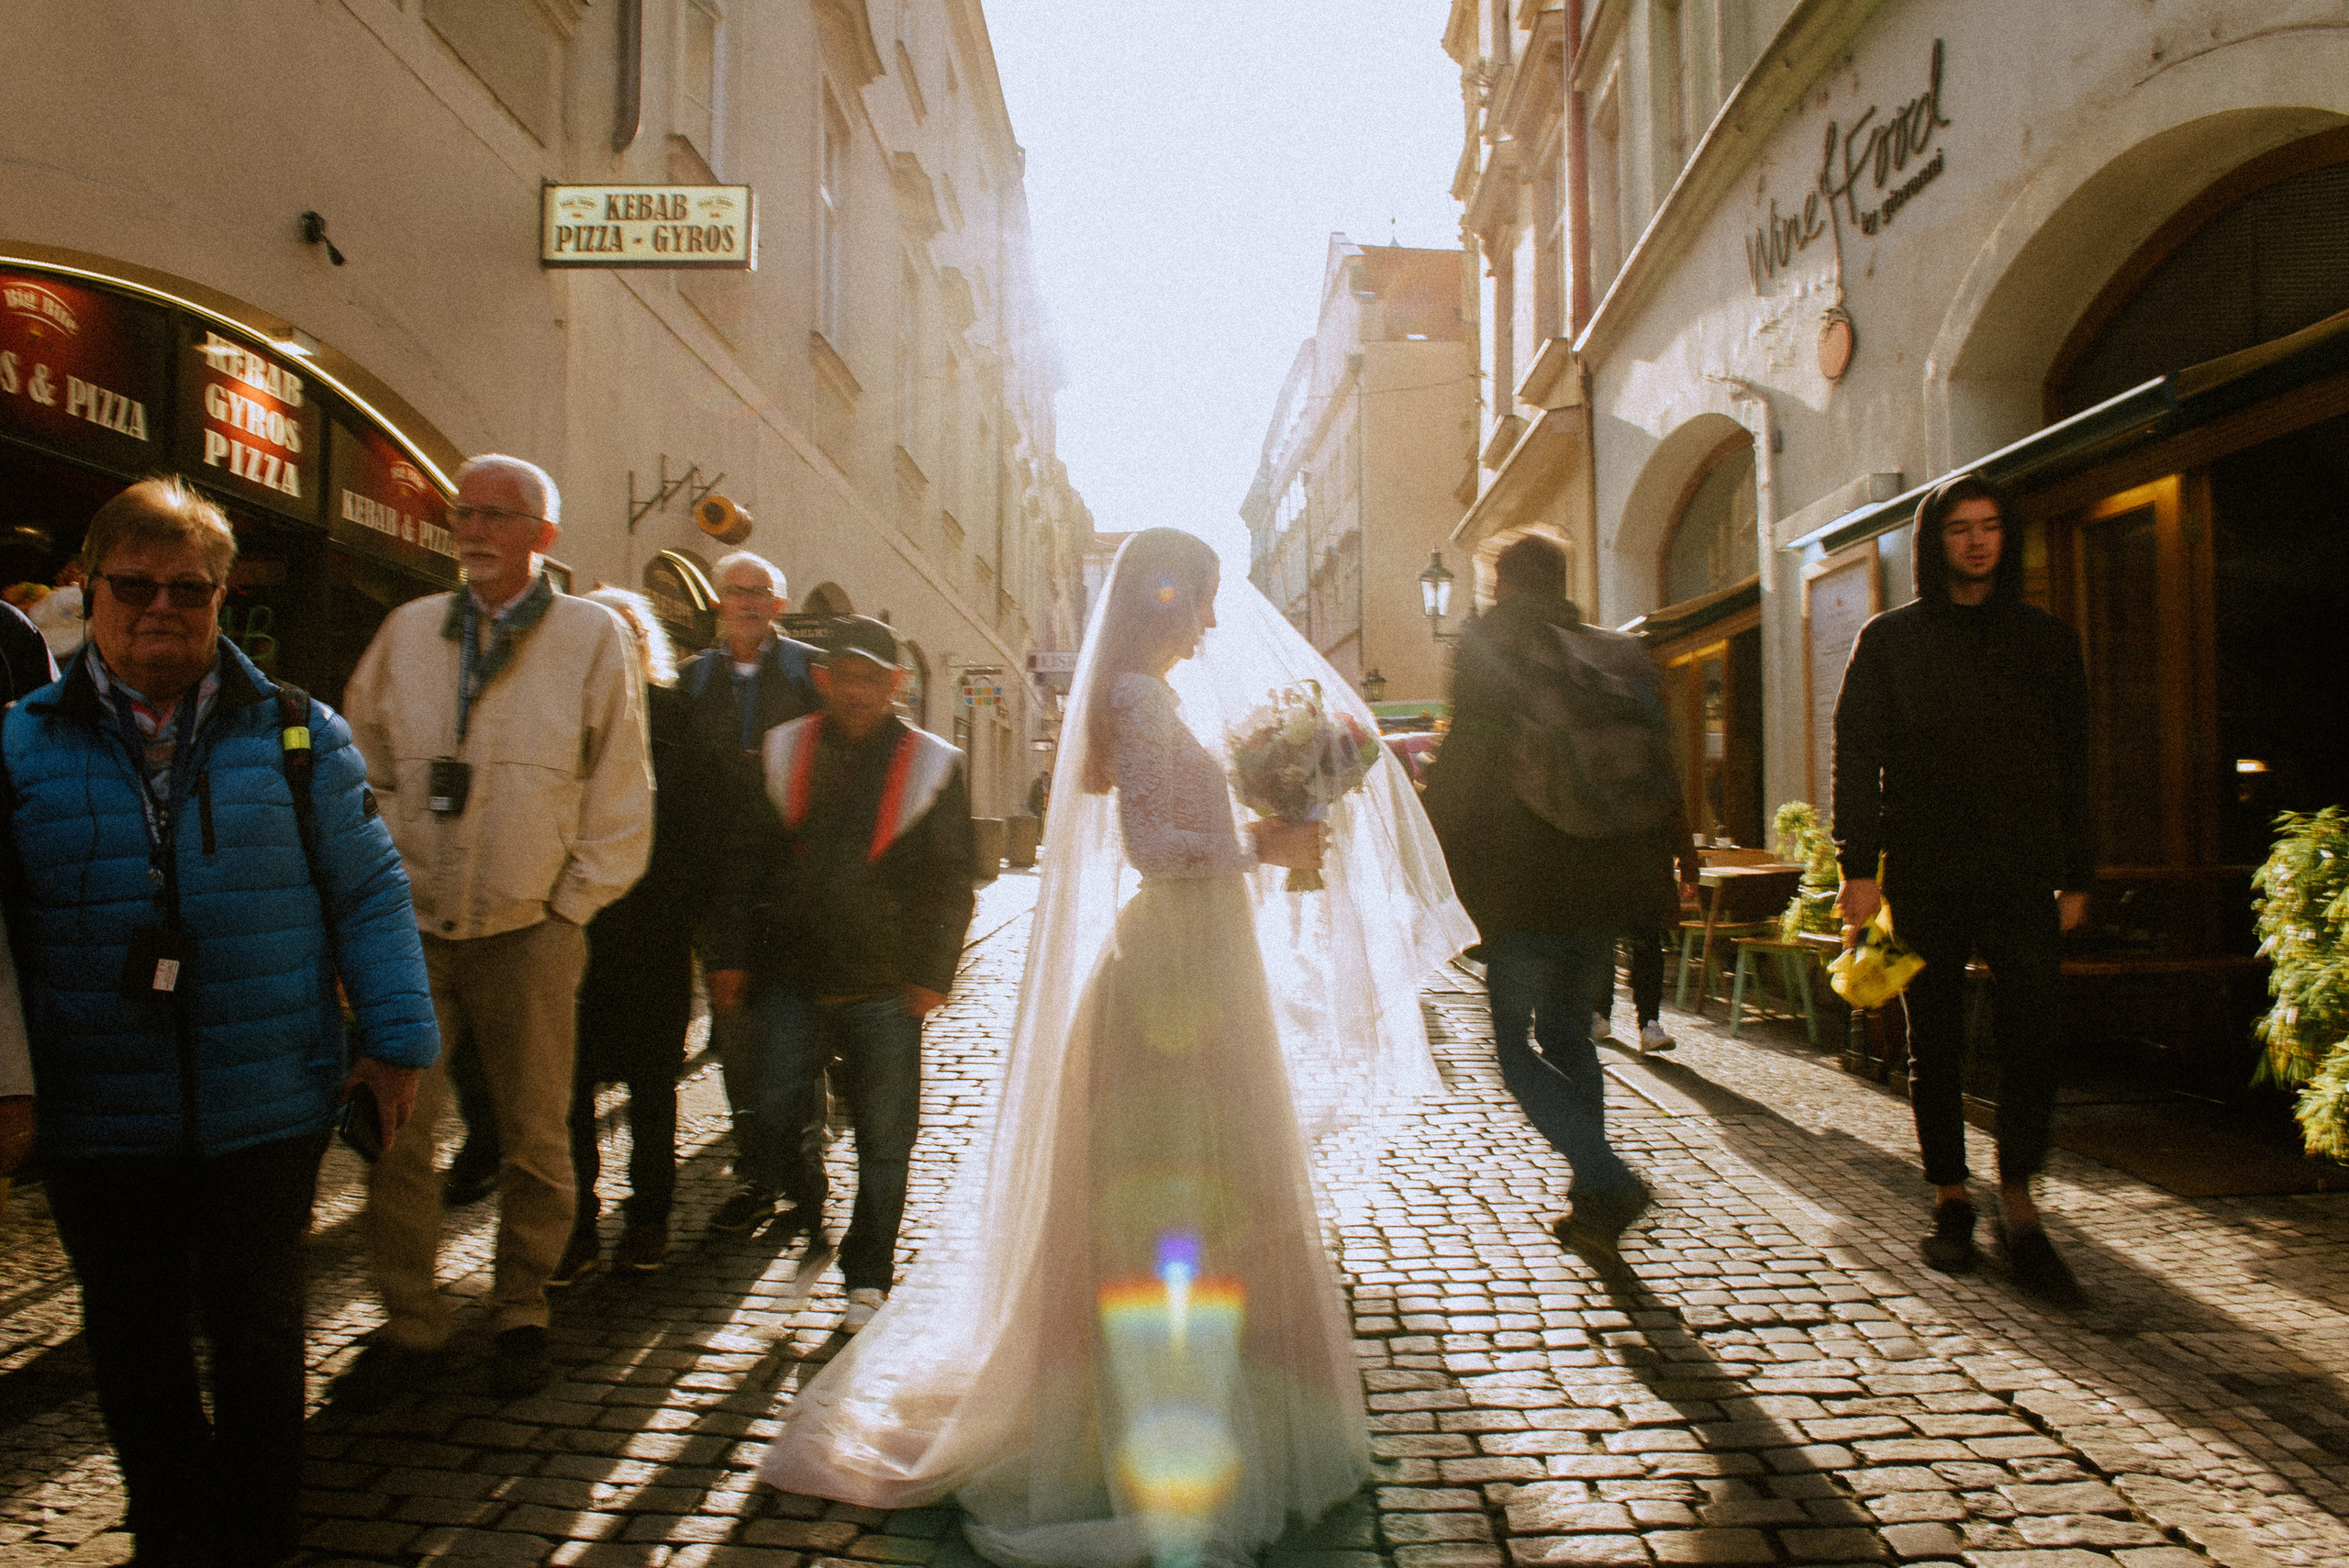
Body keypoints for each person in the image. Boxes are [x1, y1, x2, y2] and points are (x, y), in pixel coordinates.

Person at [753, 530, 1474, 1568]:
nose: (1214, 620)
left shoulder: (1153, 698)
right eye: (1203, 599)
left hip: (1202, 955)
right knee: (1173, 1175)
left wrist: (1265, 825)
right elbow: (1154, 846)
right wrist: (1262, 843)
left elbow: (1177, 825)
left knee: (1213, 1172)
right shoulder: (1136, 698)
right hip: (1174, 963)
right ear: (1164, 601)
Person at [0, 476, 438, 1567]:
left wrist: (394, 1042)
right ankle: (169, 1524)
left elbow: (369, 889)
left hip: (267, 1096)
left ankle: (261, 1534)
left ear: (219, 597)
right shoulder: (18, 743)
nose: (161, 607)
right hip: (98, 1104)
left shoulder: (298, 733)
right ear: (91, 590)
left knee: (259, 1328)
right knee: (132, 1332)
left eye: (187, 588)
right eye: (134, 585)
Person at [336, 454, 652, 1401]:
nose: (472, 529)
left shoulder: (591, 635)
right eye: (462, 512)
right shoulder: (408, 629)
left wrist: (569, 904)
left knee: (535, 1131)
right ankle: (411, 1320)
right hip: (412, 930)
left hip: (530, 927)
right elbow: (360, 763)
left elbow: (621, 783)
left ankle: (521, 1306)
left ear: (542, 535)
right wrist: (380, 877)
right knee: (396, 1130)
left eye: (496, 515)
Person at [1831, 471, 2092, 1297]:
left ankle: (2019, 1201)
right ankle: (1950, 1196)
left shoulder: (2047, 641)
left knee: (2034, 1035)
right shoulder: (1890, 639)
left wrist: (2078, 873)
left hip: (2023, 870)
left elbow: (2075, 764)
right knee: (1934, 1040)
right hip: (1926, 868)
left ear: (2006, 536)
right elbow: (1857, 758)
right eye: (1959, 529)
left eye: (1989, 526)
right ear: (1933, 541)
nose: (1977, 541)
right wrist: (1858, 870)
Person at [707, 616, 975, 1329]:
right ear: (824, 679)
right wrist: (732, 954)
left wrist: (933, 970)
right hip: (792, 974)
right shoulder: (784, 748)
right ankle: (809, 1202)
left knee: (886, 1138)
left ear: (896, 684)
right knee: (769, 1110)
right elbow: (744, 860)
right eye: (846, 675)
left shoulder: (932, 763)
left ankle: (868, 1273)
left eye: (873, 678)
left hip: (887, 984)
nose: (858, 690)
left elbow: (952, 878)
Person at [1422, 533, 1683, 1263]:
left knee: (1514, 1050)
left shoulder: (1492, 648)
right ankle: (1591, 1203)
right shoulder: (1610, 656)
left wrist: (1431, 858)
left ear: (1502, 585)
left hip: (1523, 883)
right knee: (1570, 1037)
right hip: (1602, 883)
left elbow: (1465, 764)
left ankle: (1606, 1177)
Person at [550, 589, 723, 1282]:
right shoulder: (556, 715)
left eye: (627, 634)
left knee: (653, 1085)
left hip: (653, 932)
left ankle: (649, 1218)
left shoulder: (681, 720)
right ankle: (577, 1225)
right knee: (569, 1088)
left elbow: (707, 829)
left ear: (648, 645)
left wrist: (679, 907)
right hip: (573, 928)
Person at [674, 550, 829, 1239]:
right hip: (718, 892)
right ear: (717, 601)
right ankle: (758, 1174)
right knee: (736, 1037)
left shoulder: (809, 672)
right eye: (734, 591)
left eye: (759, 592)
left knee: (798, 1031)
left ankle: (806, 1169)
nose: (746, 601)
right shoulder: (690, 681)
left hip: (795, 888)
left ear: (778, 604)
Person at [28, 559, 85, 661]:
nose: (66, 574)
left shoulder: (65, 595)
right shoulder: (60, 595)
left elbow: (35, 616)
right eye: (67, 571)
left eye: (73, 571)